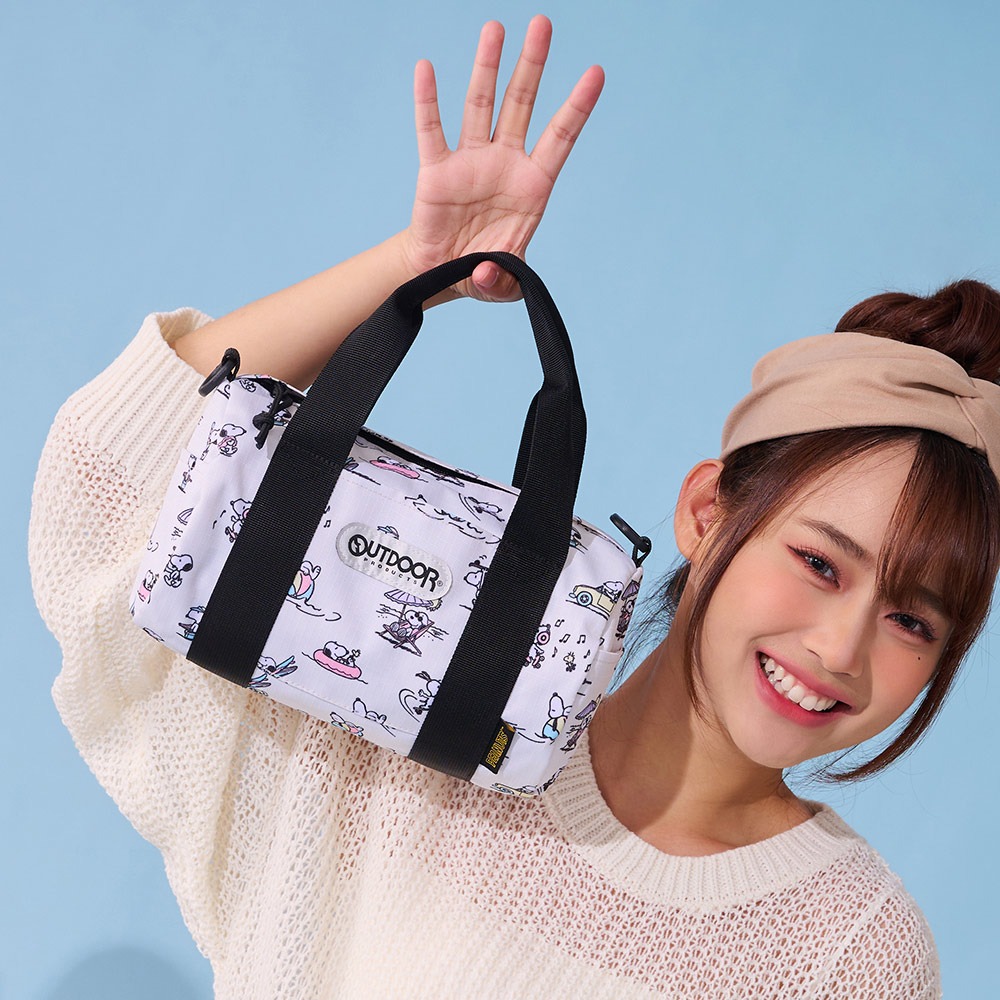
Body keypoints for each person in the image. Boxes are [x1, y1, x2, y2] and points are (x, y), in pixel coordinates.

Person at [28, 15, 1000, 999]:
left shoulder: (850, 954)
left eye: (912, 620)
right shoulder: (406, 719)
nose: (840, 647)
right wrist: (414, 267)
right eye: (820, 563)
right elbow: (107, 473)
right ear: (707, 513)